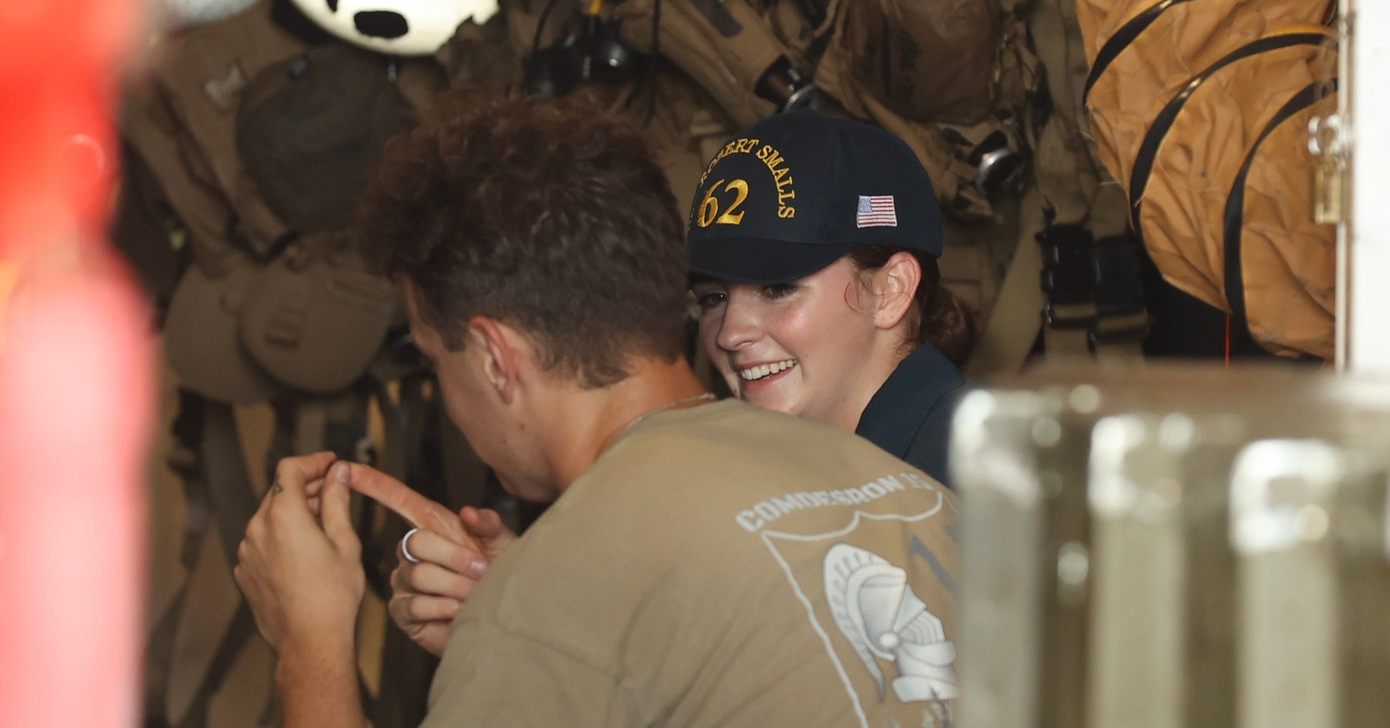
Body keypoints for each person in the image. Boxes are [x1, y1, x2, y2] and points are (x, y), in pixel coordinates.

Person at [233, 93, 961, 728]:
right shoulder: (895, 490)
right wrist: (558, 625)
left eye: (434, 357)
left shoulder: (963, 475)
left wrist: (310, 645)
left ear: (492, 358)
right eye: (713, 297)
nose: (735, 331)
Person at [688, 109, 976, 487]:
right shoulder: (797, 471)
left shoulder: (980, 485)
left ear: (891, 290)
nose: (729, 334)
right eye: (714, 298)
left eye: (778, 288)